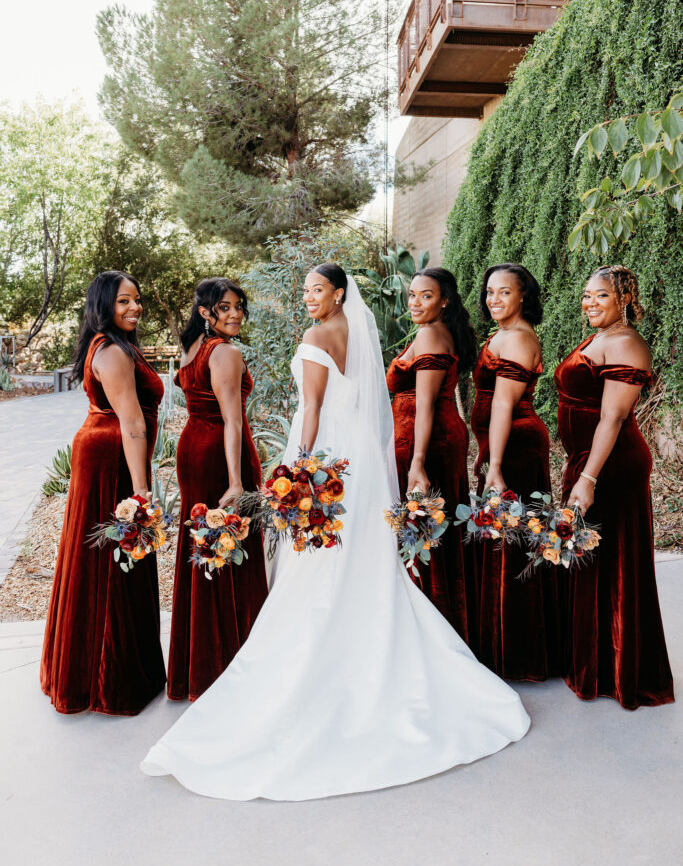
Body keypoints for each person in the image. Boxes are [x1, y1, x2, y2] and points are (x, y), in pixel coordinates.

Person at [140, 264, 529, 801]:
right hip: (361, 458)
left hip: (327, 458)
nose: (308, 298)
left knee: (320, 561)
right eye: (305, 290)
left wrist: (298, 470)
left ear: (339, 293)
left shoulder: (317, 335)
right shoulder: (356, 332)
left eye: (317, 289)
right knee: (362, 558)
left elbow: (313, 408)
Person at [40, 271, 166, 715]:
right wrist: (141, 493)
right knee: (112, 562)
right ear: (104, 305)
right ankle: (106, 681)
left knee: (104, 561)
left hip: (106, 451)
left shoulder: (115, 344)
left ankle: (88, 669)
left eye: (137, 299)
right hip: (112, 458)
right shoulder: (111, 351)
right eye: (123, 301)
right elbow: (131, 423)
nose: (135, 307)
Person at [555, 265, 674, 709]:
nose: (589, 302)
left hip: (612, 466)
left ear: (624, 298)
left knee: (615, 565)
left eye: (601, 295)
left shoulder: (625, 342)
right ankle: (594, 663)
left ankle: (621, 672)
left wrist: (588, 478)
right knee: (592, 563)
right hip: (588, 460)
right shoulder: (602, 336)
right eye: (587, 294)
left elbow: (613, 416)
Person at [166, 278, 268, 701]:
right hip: (219, 456)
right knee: (226, 545)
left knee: (206, 547)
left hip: (193, 446)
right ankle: (228, 661)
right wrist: (236, 481)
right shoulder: (224, 352)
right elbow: (232, 420)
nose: (235, 314)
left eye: (239, 306)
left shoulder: (193, 348)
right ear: (205, 312)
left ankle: (198, 663)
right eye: (225, 307)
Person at [471, 264, 563, 681]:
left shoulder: (520, 337)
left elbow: (504, 403)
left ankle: (521, 653)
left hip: (516, 449)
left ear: (523, 295)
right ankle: (503, 644)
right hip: (501, 445)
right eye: (490, 292)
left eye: (504, 292)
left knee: (515, 543)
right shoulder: (502, 333)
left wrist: (496, 464)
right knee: (504, 540)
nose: (494, 299)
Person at [387, 267, 479, 646]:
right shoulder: (436, 330)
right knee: (432, 531)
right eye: (412, 295)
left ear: (444, 301)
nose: (415, 302)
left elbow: (424, 404)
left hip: (428, 441)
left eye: (426, 296)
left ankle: (431, 635)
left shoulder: (430, 335)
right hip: (434, 436)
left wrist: (418, 464)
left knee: (426, 530)